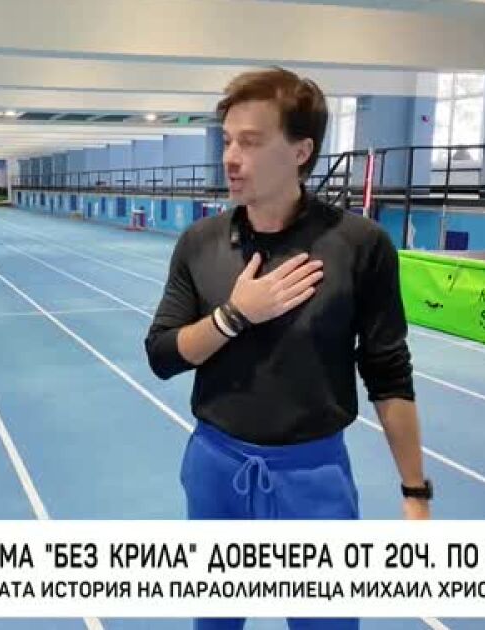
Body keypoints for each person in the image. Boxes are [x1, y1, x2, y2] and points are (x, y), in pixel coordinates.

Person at [144, 68, 432, 630]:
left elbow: (388, 373)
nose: (231, 158)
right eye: (228, 141)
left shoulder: (360, 246)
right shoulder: (201, 243)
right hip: (216, 468)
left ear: (301, 152)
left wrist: (415, 493)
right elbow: (163, 355)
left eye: (250, 142)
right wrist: (234, 316)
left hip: (313, 477)